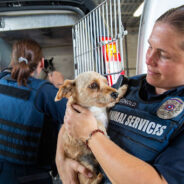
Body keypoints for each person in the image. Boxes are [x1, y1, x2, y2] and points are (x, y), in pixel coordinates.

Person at [56, 5, 184, 184]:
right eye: (150, 46)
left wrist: (92, 135)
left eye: (163, 55)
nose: (148, 59)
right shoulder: (128, 85)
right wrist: (61, 159)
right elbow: (76, 118)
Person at [0, 39, 67, 184]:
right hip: (32, 178)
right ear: (41, 63)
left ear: (13, 61)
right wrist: (60, 85)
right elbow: (76, 116)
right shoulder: (44, 91)